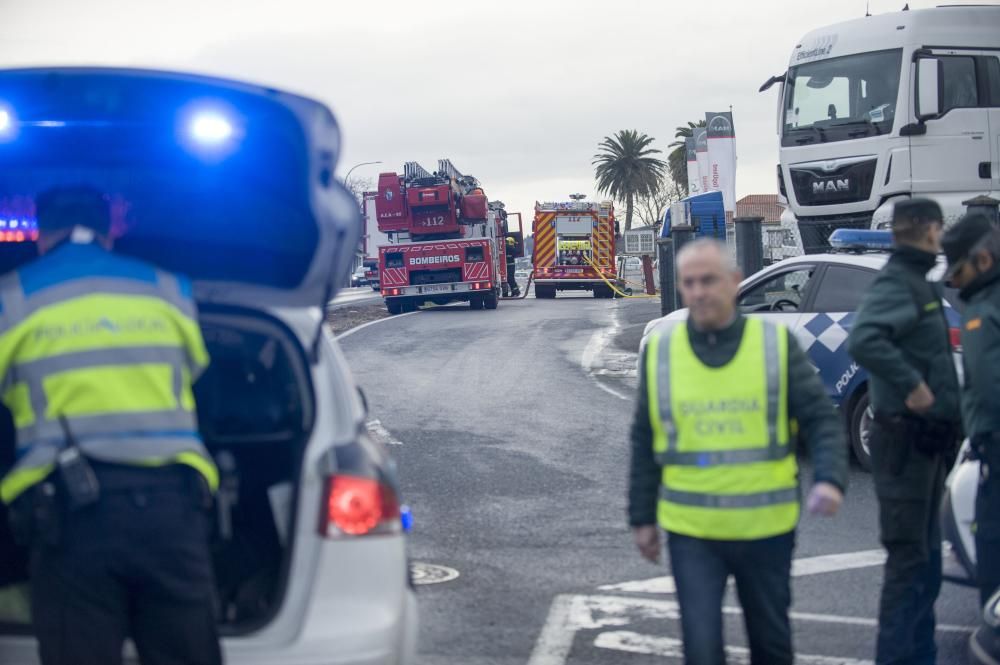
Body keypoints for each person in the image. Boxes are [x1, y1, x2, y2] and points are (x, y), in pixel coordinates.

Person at [0, 186, 222, 665]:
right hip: (172, 513)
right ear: (110, 232)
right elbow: (199, 371)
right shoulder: (168, 288)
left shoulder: (12, 298)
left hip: (70, 520)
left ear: (40, 234)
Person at [629, 238, 847, 665]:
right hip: (693, 532)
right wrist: (642, 518)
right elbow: (643, 439)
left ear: (734, 282)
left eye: (708, 280)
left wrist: (830, 477)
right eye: (689, 282)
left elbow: (821, 419)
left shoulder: (774, 347)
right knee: (702, 648)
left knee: (770, 643)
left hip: (765, 529)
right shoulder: (662, 353)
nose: (698, 291)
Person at [846, 198, 961, 665]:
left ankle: (920, 656)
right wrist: (913, 387)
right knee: (911, 565)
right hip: (906, 443)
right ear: (930, 230)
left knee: (926, 566)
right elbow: (865, 338)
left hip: (926, 444)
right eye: (940, 228)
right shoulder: (899, 282)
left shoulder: (919, 282)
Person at [941, 213, 1000, 662]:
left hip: (995, 448)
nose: (956, 283)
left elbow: (986, 384)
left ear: (981, 259)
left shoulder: (982, 312)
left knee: (991, 541)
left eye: (959, 271)